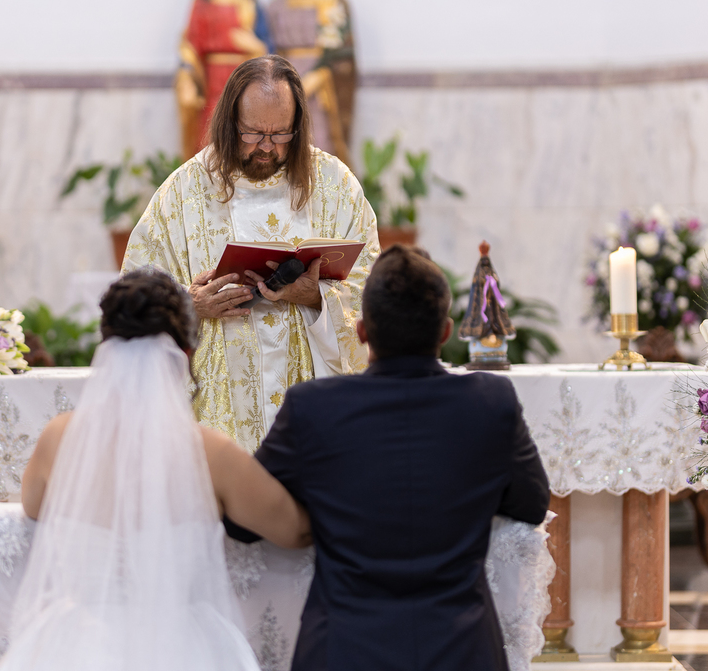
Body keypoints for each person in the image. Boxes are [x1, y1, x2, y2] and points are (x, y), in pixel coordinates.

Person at [228, 245, 551, 671]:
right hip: (460, 649)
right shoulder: (491, 400)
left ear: (362, 331)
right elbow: (531, 504)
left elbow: (243, 523)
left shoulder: (314, 407)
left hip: (344, 651)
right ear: (445, 332)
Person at [0, 270, 311, 671]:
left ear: (105, 348)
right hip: (181, 645)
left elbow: (34, 508)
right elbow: (293, 531)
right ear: (186, 354)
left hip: (75, 643)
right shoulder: (209, 452)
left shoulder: (59, 437)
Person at [124, 54, 379, 452]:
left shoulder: (334, 185)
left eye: (281, 134)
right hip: (217, 411)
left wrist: (316, 296)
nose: (267, 147)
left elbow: (372, 288)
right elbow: (132, 296)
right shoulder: (183, 191)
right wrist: (188, 305)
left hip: (310, 405)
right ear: (230, 122)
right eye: (254, 133)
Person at [267, 0, 356, 163]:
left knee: (319, 148)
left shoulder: (333, 2)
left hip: (321, 92)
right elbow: (270, 50)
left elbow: (344, 56)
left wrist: (321, 75)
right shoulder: (276, 6)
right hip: (285, 88)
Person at [176, 0, 273, 159]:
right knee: (210, 134)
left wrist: (257, 47)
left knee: (243, 133)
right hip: (212, 81)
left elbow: (268, 46)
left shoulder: (250, 3)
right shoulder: (203, 3)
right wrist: (187, 78)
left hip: (243, 78)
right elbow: (190, 47)